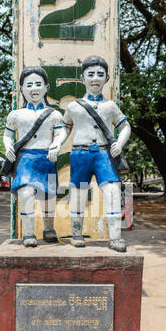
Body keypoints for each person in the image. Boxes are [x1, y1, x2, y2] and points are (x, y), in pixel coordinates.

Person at [48, 55, 131, 252]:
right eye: (91, 74)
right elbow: (65, 128)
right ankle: (76, 234)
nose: (95, 78)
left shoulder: (110, 106)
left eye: (100, 74)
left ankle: (115, 237)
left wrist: (119, 143)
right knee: (78, 194)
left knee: (112, 191)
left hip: (104, 154)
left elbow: (125, 126)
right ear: (82, 77)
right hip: (80, 154)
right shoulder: (73, 106)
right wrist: (57, 143)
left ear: (107, 78)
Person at [3, 66, 63, 247]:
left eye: (38, 84)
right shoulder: (16, 115)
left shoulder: (54, 114)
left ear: (46, 87)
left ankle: (49, 229)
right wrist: (8, 147)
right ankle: (29, 234)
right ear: (21, 89)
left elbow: (59, 134)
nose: (34, 89)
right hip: (25, 159)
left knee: (49, 197)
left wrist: (57, 144)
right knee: (26, 194)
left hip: (47, 159)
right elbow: (7, 135)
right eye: (29, 85)